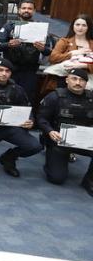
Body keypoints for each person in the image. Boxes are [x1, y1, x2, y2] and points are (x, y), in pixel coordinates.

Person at [36, 68, 93, 197]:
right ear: (67, 80)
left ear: (86, 83)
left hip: (85, 141)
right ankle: (51, 162)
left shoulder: (91, 98)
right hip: (59, 141)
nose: (78, 82)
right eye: (74, 78)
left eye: (82, 80)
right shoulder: (54, 96)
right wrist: (49, 131)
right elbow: (41, 118)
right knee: (56, 178)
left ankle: (89, 180)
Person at [0, 0, 53, 107]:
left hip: (30, 71)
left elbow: (49, 51)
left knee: (27, 100)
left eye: (30, 8)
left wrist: (42, 48)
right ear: (19, 10)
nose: (27, 10)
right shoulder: (9, 26)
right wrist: (8, 44)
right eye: (24, 8)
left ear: (34, 11)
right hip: (11, 70)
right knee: (7, 99)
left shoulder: (40, 28)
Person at [45, 14, 93, 92]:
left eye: (84, 25)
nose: (80, 28)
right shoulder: (64, 41)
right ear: (73, 26)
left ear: (88, 27)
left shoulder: (92, 44)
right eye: (77, 24)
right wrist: (72, 53)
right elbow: (52, 58)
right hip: (63, 79)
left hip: (86, 81)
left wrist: (84, 65)